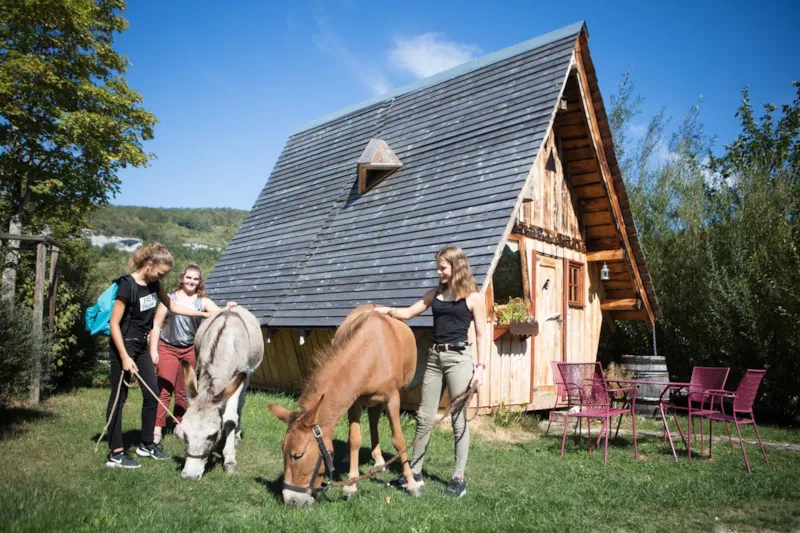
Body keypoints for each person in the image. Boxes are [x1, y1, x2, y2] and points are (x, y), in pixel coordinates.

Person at [376, 244, 487, 498]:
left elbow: (481, 334)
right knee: (424, 416)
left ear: (456, 266)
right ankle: (415, 472)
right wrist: (385, 311)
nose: (438, 272)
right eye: (438, 267)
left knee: (459, 421)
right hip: (435, 358)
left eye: (443, 267)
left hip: (460, 359)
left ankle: (458, 478)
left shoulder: (473, 298)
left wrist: (480, 369)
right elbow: (408, 312)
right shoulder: (434, 294)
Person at [105, 243, 211, 469]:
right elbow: (114, 324)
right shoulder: (127, 285)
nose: (162, 277)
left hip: (141, 347)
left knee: (152, 393)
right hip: (122, 346)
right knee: (118, 399)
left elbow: (173, 305)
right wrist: (124, 357)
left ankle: (146, 444)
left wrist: (202, 313)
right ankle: (115, 453)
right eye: (161, 273)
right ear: (149, 265)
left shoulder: (155, 285)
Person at [150, 262, 235, 444]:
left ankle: (179, 424)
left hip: (189, 349)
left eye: (195, 279)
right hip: (167, 348)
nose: (191, 281)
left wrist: (228, 307)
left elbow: (219, 313)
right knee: (165, 389)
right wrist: (153, 350)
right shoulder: (170, 299)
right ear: (182, 278)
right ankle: (157, 429)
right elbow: (156, 325)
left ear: (199, 282)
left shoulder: (202, 301)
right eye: (188, 277)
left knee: (184, 391)